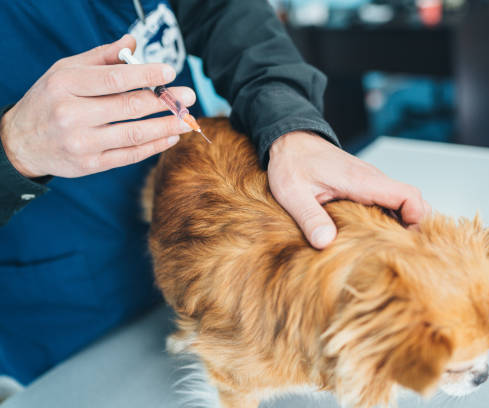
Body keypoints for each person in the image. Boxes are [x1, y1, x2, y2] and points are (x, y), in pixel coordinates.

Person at [0, 0, 429, 388]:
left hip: (210, 247)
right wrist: (13, 148)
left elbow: (223, 9)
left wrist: (289, 124)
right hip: (67, 312)